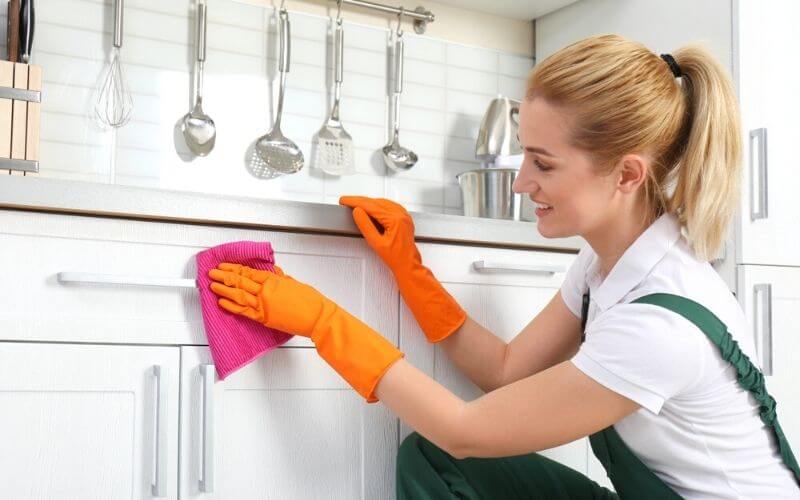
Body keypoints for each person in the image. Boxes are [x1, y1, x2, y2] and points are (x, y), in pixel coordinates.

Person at [207, 34, 800, 499]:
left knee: (450, 447)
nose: (521, 183)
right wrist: (410, 271)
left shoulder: (661, 325)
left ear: (626, 174)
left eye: (543, 163)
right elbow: (506, 370)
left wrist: (322, 321)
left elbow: (467, 431)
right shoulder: (609, 260)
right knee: (431, 463)